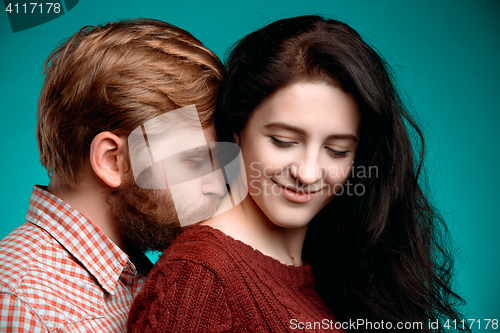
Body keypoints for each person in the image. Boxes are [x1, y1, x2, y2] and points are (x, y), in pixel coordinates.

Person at [128, 15, 467, 333]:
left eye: (337, 150)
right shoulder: (199, 278)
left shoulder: (335, 261)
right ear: (236, 131)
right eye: (283, 141)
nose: (307, 173)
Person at [0, 18, 224, 332]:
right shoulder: (20, 300)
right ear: (112, 160)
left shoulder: (143, 276)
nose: (216, 185)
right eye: (194, 161)